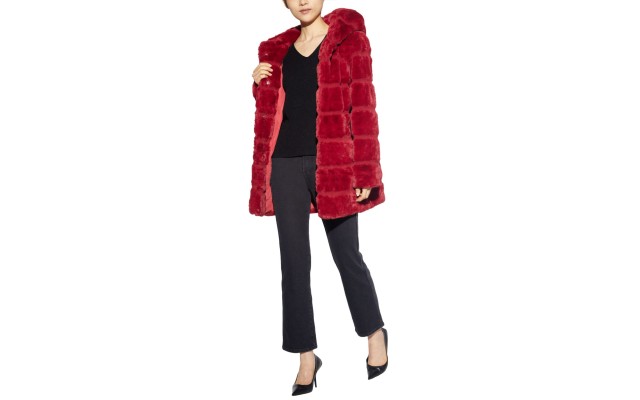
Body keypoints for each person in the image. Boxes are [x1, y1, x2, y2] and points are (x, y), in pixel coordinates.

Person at [249, 0, 389, 395]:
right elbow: (277, 108)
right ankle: (306, 357)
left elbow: (363, 107)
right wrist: (258, 84)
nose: (303, 0)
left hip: (335, 164)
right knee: (293, 265)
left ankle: (374, 333)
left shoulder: (348, 39)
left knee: (347, 256)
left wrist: (366, 170)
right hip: (285, 166)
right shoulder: (277, 49)